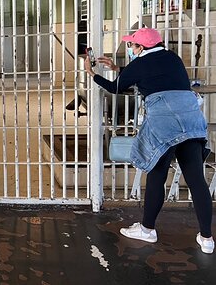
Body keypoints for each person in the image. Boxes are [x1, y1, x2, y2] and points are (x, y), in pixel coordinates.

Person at [85, 27, 213, 254]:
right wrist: (118, 68)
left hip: (165, 125)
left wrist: (92, 74)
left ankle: (147, 229)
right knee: (196, 179)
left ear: (141, 47)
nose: (131, 49)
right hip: (191, 120)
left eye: (132, 45)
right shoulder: (172, 58)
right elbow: (155, 73)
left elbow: (116, 87)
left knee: (157, 174)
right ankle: (206, 238)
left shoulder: (138, 65)